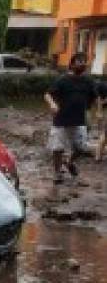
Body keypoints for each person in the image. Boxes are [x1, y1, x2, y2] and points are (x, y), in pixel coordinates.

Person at [44, 52, 97, 184]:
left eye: (84, 61)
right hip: (61, 120)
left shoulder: (88, 81)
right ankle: (57, 174)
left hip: (79, 120)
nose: (83, 63)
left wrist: (95, 111)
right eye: (79, 61)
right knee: (57, 148)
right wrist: (52, 104)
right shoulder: (62, 80)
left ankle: (69, 162)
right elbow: (48, 94)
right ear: (72, 64)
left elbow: (94, 97)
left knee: (81, 148)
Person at [96, 80, 107, 163]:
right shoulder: (103, 85)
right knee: (104, 135)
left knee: (104, 134)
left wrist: (99, 112)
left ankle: (98, 156)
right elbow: (100, 100)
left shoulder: (102, 85)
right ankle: (98, 156)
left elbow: (100, 100)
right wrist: (99, 112)